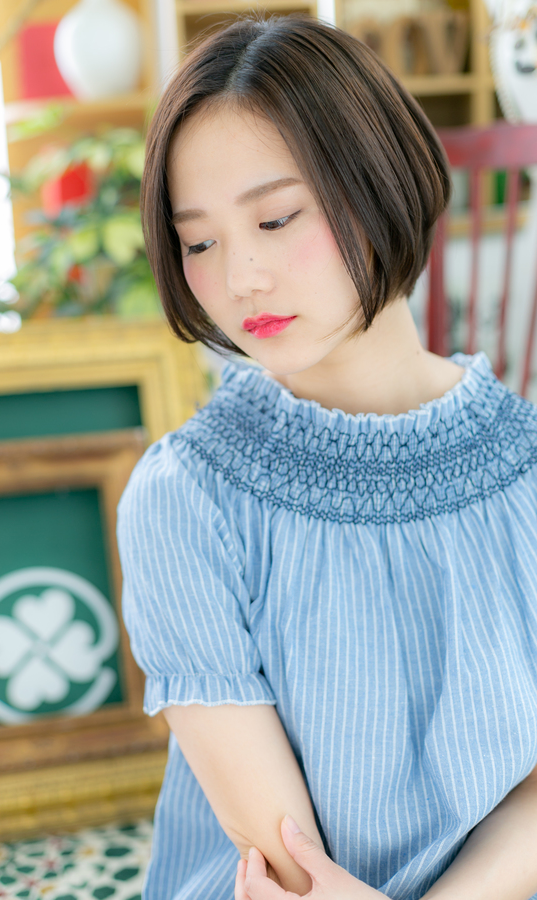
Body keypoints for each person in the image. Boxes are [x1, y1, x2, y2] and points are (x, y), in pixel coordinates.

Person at [116, 13, 537, 900]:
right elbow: (284, 861)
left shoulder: (526, 469)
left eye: (275, 218)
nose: (241, 278)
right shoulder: (185, 496)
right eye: (200, 242)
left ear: (379, 181)